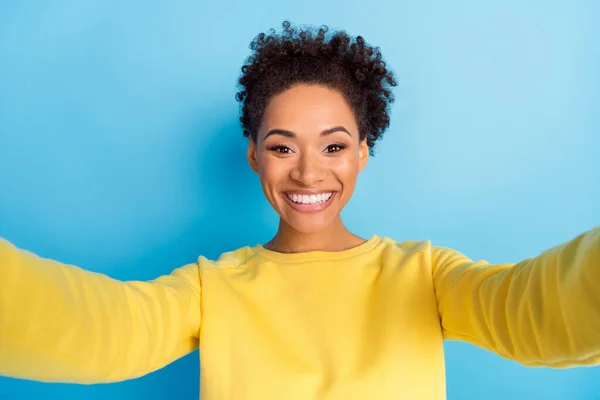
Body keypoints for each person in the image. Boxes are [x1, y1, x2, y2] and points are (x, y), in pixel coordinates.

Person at [0, 20, 599, 400]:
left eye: (334, 146)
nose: (309, 172)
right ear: (255, 156)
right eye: (283, 147)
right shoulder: (213, 289)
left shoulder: (427, 276)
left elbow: (536, 309)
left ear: (364, 152)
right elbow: (93, 328)